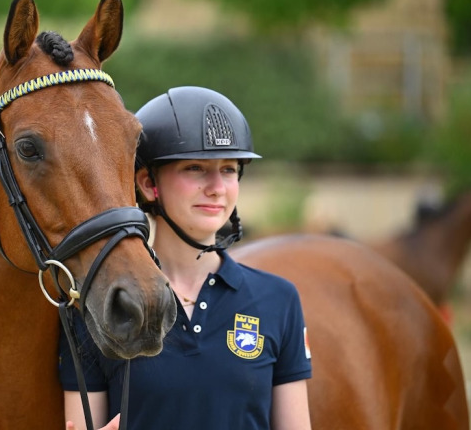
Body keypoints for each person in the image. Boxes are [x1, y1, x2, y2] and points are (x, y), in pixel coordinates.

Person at [59, 86, 312, 430]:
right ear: (149, 184)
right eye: (195, 168)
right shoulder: (98, 307)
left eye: (228, 169)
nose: (217, 187)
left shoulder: (279, 300)